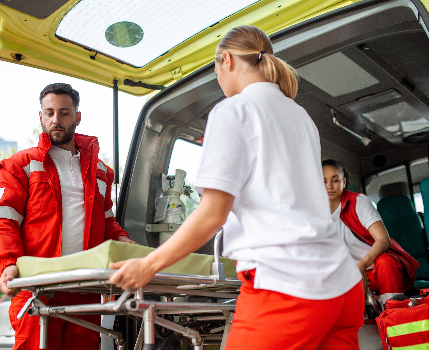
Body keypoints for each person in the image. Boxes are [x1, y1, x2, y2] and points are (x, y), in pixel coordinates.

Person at [108, 25, 365, 350]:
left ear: (226, 60)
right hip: (343, 288)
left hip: (289, 288)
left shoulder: (234, 110)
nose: (219, 79)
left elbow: (213, 213)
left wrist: (148, 265)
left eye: (216, 70)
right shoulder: (301, 117)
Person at [0, 83, 135, 350]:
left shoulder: (101, 172)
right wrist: (7, 263)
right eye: (49, 112)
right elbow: (0, 219)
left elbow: (106, 221)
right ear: (40, 116)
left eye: (64, 113)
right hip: (37, 286)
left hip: (85, 286)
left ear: (77, 116)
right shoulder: (20, 165)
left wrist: (123, 239)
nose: (56, 120)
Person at [322, 159, 418, 304]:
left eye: (335, 180)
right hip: (349, 274)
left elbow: (383, 240)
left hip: (377, 269)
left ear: (344, 181)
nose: (329, 186)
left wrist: (361, 265)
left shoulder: (358, 202)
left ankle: (394, 313)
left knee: (385, 262)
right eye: (323, 181)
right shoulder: (316, 214)